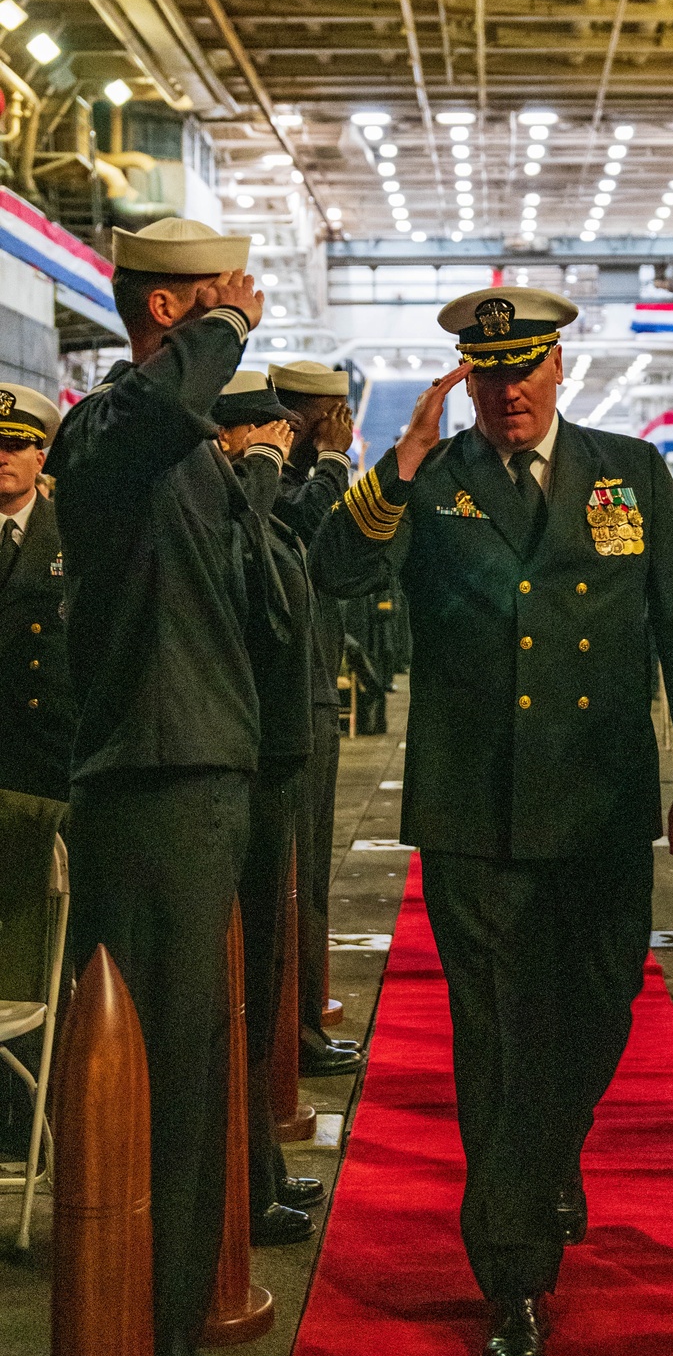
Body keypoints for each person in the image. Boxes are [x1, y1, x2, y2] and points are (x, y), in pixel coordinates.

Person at [308, 286, 673, 1356]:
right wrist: (394, 468)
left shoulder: (628, 472)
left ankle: (545, 1157)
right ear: (467, 382)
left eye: (523, 368)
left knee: (594, 1015)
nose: (505, 391)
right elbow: (333, 574)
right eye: (485, 375)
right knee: (495, 1038)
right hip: (471, 814)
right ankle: (513, 1274)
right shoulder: (431, 484)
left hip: (597, 806)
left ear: (557, 368)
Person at [45, 218, 273, 1356]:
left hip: (198, 781)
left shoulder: (178, 448)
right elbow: (157, 403)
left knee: (188, 1086)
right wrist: (228, 330)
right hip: (152, 792)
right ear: (172, 315)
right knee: (156, 1090)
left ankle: (163, 1344)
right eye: (216, 298)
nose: (240, 307)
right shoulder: (108, 429)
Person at [213, 370, 358, 1245]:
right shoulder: (237, 506)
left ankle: (257, 1170)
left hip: (272, 743)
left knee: (262, 970)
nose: (274, 445)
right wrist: (311, 465)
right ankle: (243, 1184)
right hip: (244, 754)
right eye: (260, 435)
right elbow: (280, 562)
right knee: (242, 983)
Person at [270, 359, 359, 1076]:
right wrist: (332, 461)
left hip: (313, 693)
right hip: (283, 706)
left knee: (312, 880)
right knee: (292, 882)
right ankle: (289, 1038)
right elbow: (301, 529)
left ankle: (302, 1023)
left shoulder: (307, 486)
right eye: (336, 415)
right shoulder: (276, 489)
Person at [0, 384, 74, 803]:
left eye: (15, 445)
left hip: (46, 752)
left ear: (40, 459)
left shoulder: (71, 532)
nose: (2, 457)